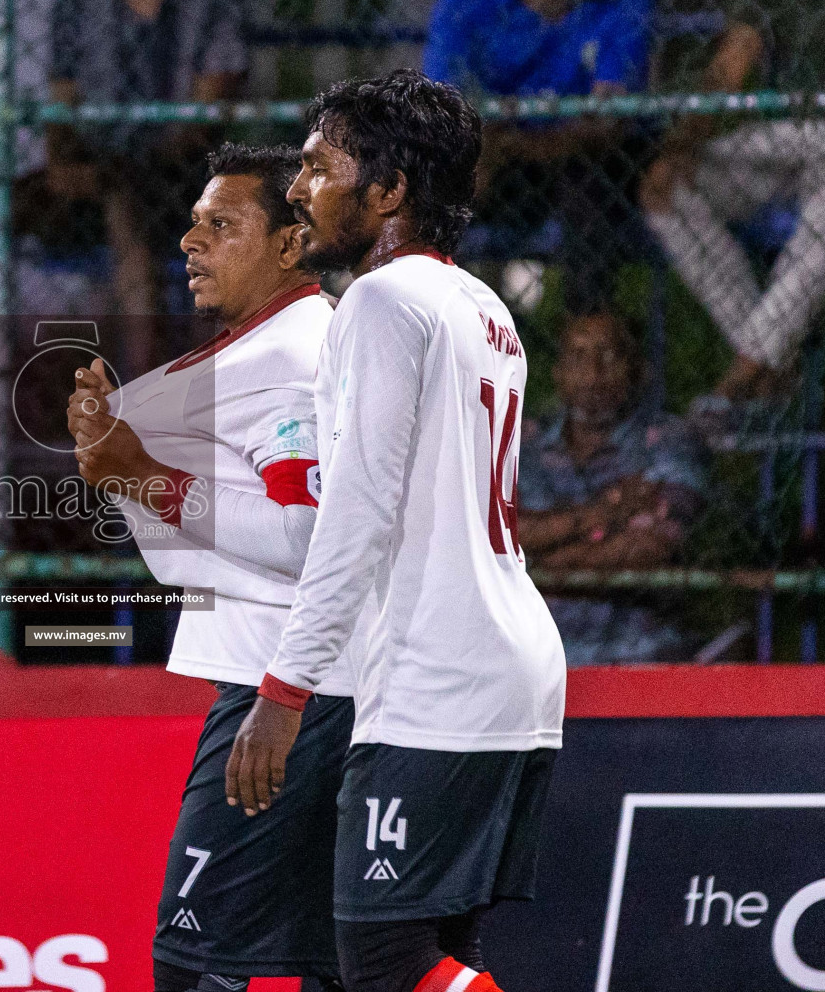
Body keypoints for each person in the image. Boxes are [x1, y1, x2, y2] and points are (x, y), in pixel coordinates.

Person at [225, 72, 565, 992]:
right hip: (509, 670)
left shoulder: (380, 304)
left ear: (390, 191)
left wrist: (283, 691)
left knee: (381, 961)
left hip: (440, 678)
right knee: (437, 957)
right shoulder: (486, 309)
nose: (297, 187)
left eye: (318, 165)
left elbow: (358, 513)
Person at [67, 145, 358, 992]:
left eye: (221, 225)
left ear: (290, 245)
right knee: (339, 966)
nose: (191, 243)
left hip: (285, 698)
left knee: (192, 966)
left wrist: (137, 475)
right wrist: (121, 460)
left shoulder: (291, 356)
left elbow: (305, 532)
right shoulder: (296, 343)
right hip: (329, 692)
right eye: (192, 225)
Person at [0, 0, 247, 318]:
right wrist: (64, 165)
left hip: (177, 179)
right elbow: (61, 113)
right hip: (89, 168)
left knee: (124, 207)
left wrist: (122, 172)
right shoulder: (79, 4)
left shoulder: (211, 3)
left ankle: (145, 366)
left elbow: (201, 127)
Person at [640, 0, 825, 420]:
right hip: (795, 134)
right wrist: (684, 145)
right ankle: (769, 357)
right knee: (665, 190)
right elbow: (732, 63)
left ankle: (747, 367)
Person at [424, 0, 655, 317]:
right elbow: (439, 93)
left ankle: (584, 340)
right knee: (439, 172)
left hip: (576, 156)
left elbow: (608, 121)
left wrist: (513, 144)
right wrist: (481, 144)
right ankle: (431, 318)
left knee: (590, 181)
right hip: (496, 154)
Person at [516, 315, 709, 664]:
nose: (592, 375)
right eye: (577, 358)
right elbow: (501, 533)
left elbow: (650, 547)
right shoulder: (524, 445)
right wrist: (607, 513)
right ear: (557, 373)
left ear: (637, 369)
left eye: (608, 357)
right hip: (536, 659)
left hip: (643, 656)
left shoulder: (668, 440)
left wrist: (542, 561)